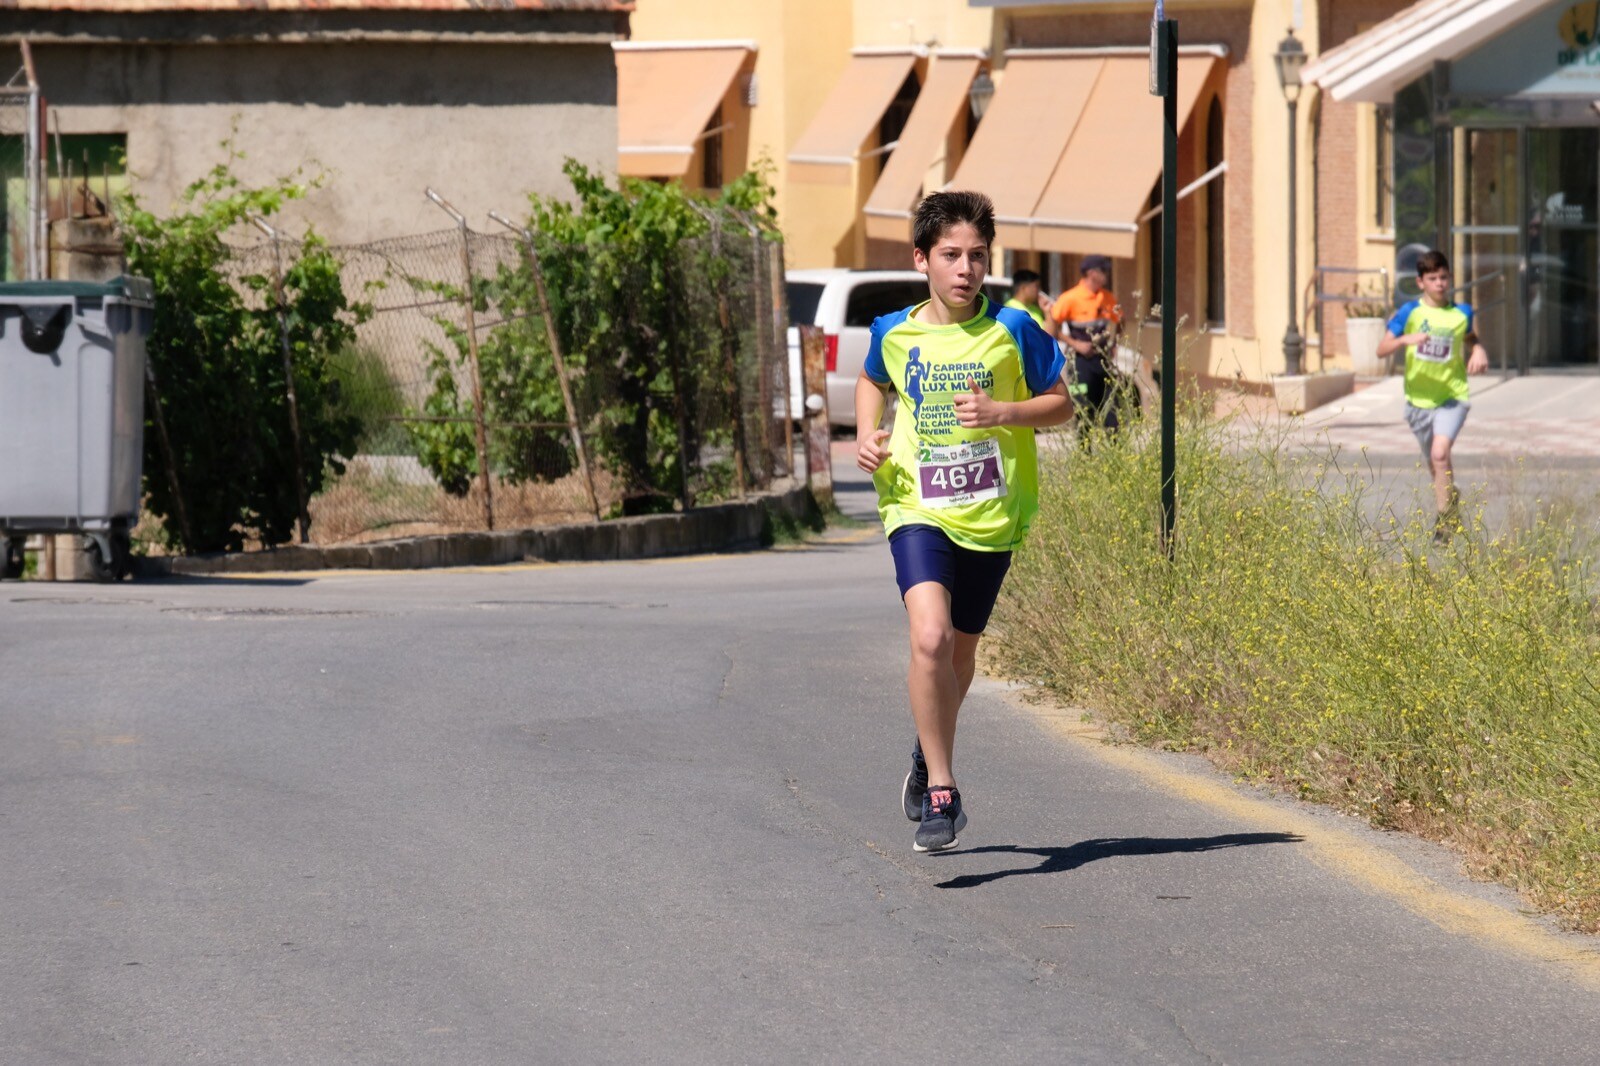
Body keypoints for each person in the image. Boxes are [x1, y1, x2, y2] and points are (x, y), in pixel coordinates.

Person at [855, 191, 1071, 852]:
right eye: (950, 254)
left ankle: (927, 749)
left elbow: (1061, 405)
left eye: (977, 256)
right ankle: (943, 793)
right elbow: (872, 379)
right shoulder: (893, 331)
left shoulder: (1016, 328)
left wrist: (1005, 414)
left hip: (991, 511)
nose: (965, 268)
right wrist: (868, 434)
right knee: (930, 638)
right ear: (922, 258)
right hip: (916, 506)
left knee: (961, 652)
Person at [1376, 249, 1490, 543]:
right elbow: (1381, 349)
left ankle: (1444, 525)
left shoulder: (1461, 313)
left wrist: (1477, 348)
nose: (1440, 283)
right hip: (1418, 403)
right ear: (1420, 282)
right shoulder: (1410, 313)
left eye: (1444, 277)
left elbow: (1468, 335)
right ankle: (1450, 500)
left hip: (1452, 396)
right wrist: (1405, 339)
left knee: (1440, 454)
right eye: (1433, 278)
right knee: (1435, 464)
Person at [1049, 254, 1125, 436]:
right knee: (1084, 409)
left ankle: (1115, 454)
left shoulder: (1107, 297)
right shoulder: (1070, 298)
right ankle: (1086, 454)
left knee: (1111, 410)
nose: (1107, 275)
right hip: (1079, 364)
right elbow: (1051, 327)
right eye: (1103, 271)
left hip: (1103, 361)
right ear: (1091, 273)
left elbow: (1122, 320)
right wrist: (1075, 344)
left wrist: (1114, 344)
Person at [1003, 268, 1058, 338]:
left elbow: (1050, 336)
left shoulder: (1035, 309)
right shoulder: (1010, 308)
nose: (1039, 290)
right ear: (1023, 288)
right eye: (1036, 286)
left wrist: (1047, 311)